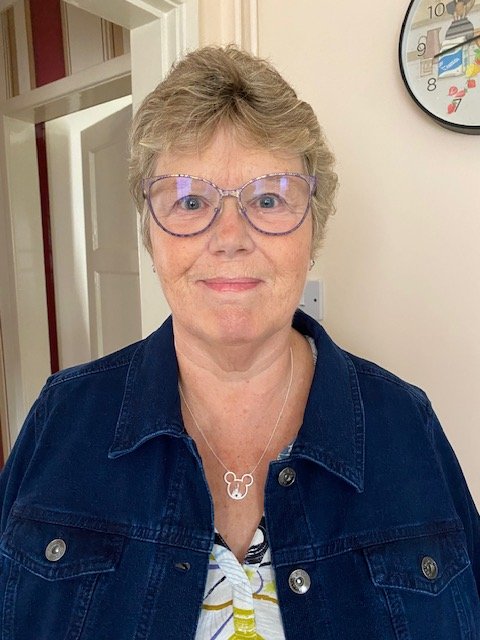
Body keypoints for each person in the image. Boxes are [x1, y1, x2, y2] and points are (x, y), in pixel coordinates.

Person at [0, 45, 478, 640]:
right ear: (151, 233)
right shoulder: (62, 418)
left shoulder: (406, 423)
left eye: (268, 198)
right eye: (190, 200)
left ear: (313, 228)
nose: (229, 236)